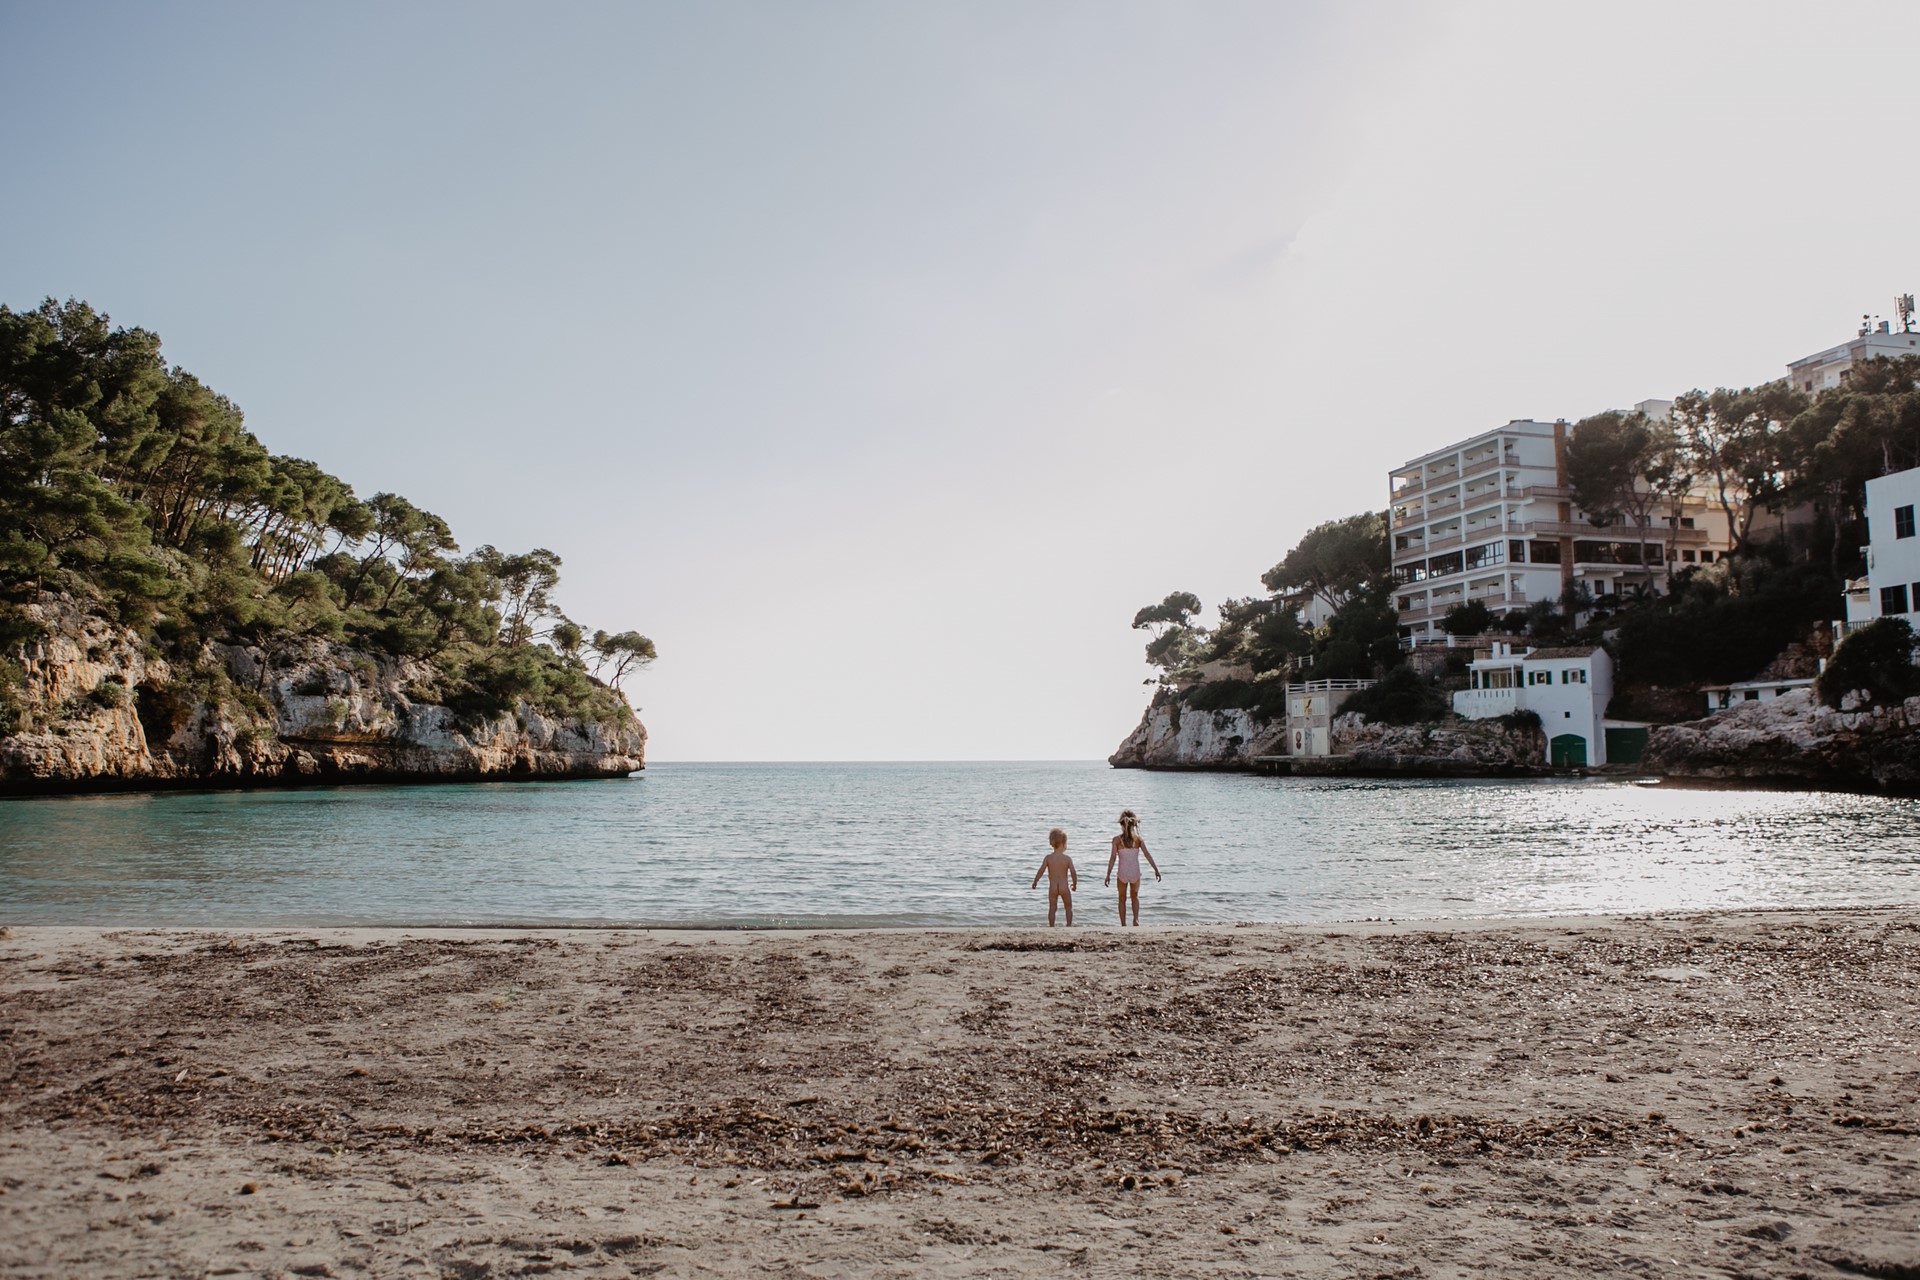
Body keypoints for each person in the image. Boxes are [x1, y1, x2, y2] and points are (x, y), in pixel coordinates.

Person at [1104, 809, 1160, 926]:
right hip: (1135, 872)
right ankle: (1136, 920)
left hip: (1122, 872)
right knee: (1135, 897)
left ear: (1121, 824)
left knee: (1121, 898)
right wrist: (1156, 869)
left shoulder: (1117, 840)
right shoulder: (1138, 840)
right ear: (1134, 824)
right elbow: (1147, 855)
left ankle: (1123, 924)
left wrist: (1108, 875)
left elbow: (1113, 858)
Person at [1031, 828, 1078, 927]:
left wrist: (1035, 881)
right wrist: (1074, 884)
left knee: (1052, 907)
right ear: (1064, 843)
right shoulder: (1067, 859)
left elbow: (1041, 870)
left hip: (1053, 887)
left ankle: (1051, 926)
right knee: (1068, 907)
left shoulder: (1048, 858)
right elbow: (1073, 872)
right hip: (1064, 887)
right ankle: (1068, 925)